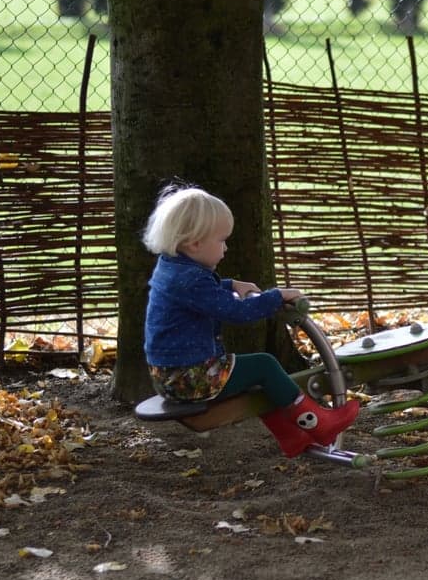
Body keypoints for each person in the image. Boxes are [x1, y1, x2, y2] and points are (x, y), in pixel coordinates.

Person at [142, 184, 358, 458]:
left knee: (255, 379)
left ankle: (291, 436)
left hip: (171, 376)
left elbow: (203, 294)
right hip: (191, 378)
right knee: (263, 366)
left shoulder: (172, 266)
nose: (226, 248)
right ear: (194, 243)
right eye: (221, 240)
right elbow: (236, 312)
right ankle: (319, 423)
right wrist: (276, 297)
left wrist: (231, 283)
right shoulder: (191, 280)